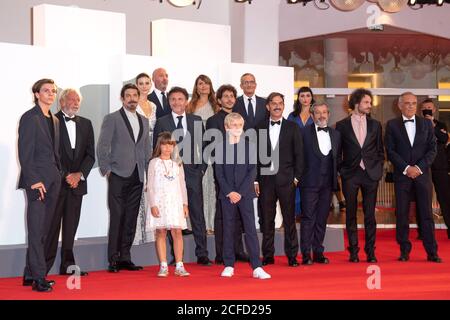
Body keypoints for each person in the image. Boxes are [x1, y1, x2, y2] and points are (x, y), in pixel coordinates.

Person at [153, 86, 212, 265]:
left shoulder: (196, 120)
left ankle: (202, 253)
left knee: (197, 213)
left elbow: (204, 146)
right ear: (169, 102)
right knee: (172, 214)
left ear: (186, 101)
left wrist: (201, 169)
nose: (177, 102)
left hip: (193, 173)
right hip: (169, 175)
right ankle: (175, 256)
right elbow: (156, 149)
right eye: (173, 99)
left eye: (180, 99)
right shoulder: (162, 122)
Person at [97, 83, 151, 272]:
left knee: (131, 218)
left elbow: (146, 150)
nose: (132, 99)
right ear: (122, 98)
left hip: (138, 176)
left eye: (135, 95)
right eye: (128, 95)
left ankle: (125, 257)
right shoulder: (112, 118)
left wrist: (147, 175)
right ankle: (113, 259)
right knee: (118, 216)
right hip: (118, 175)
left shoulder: (144, 121)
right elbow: (103, 145)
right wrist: (107, 170)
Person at [384, 92, 441, 263]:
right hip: (402, 176)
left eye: (414, 103)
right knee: (402, 214)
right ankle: (404, 251)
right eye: (407, 103)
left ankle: (432, 252)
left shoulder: (426, 124)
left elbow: (432, 150)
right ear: (399, 105)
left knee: (426, 214)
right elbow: (391, 151)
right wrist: (406, 168)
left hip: (422, 176)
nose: (410, 106)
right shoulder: (392, 125)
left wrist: (418, 168)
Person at [45, 89, 95, 277]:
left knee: (71, 228)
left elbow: (91, 155)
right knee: (51, 228)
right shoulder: (51, 120)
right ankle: (42, 268)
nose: (75, 103)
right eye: (71, 99)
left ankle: (68, 265)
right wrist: (66, 175)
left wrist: (79, 175)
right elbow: (50, 154)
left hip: (77, 185)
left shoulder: (86, 124)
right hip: (57, 183)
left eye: (78, 100)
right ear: (62, 101)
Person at [215, 112, 271, 279]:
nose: (237, 128)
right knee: (228, 229)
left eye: (240, 125)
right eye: (234, 125)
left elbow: (252, 171)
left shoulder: (250, 147)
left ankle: (257, 266)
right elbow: (219, 173)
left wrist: (239, 192)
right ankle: (229, 265)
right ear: (226, 128)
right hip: (227, 195)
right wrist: (229, 192)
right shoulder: (219, 147)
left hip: (245, 194)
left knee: (250, 229)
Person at [19, 78, 61, 292]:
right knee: (37, 230)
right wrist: (33, 180)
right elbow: (25, 153)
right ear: (36, 94)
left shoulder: (53, 119)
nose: (51, 94)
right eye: (46, 91)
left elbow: (54, 153)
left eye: (53, 91)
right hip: (37, 182)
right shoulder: (29, 118)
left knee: (44, 229)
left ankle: (30, 273)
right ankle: (39, 278)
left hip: (53, 181)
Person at [336, 88, 384, 263]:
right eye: (366, 102)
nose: (369, 105)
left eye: (370, 103)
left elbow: (380, 150)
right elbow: (338, 152)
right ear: (356, 103)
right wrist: (342, 170)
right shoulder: (341, 125)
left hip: (371, 174)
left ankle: (371, 252)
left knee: (370, 215)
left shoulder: (376, 125)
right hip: (351, 174)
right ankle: (354, 252)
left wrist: (377, 168)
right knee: (350, 215)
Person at [255, 92, 303, 267]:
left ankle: (292, 256)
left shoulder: (293, 127)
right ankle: (268, 256)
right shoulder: (258, 127)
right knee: (267, 220)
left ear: (284, 106)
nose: (277, 106)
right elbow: (254, 157)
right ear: (267, 106)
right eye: (273, 103)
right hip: (265, 182)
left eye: (280, 103)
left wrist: (296, 178)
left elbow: (300, 155)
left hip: (287, 181)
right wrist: (255, 180)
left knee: (290, 220)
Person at [206, 84, 249, 264]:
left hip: (240, 173)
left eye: (232, 96)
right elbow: (211, 149)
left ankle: (238, 250)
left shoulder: (240, 119)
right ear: (219, 99)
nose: (229, 99)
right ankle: (222, 253)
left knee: (238, 213)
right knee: (223, 214)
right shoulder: (213, 121)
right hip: (223, 173)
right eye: (226, 96)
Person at [299, 102, 341, 265]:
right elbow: (299, 157)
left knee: (322, 218)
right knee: (308, 218)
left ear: (328, 114)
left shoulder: (336, 134)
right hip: (309, 182)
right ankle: (306, 254)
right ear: (312, 115)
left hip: (327, 184)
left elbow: (338, 158)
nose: (321, 115)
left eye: (324, 112)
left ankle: (318, 252)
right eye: (318, 113)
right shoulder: (303, 133)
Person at [148, 132, 190, 277]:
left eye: (170, 145)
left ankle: (179, 265)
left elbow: (182, 185)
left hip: (175, 202)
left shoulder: (177, 163)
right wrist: (153, 204)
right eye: (164, 144)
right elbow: (150, 185)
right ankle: (164, 265)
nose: (167, 148)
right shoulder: (154, 163)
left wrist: (185, 204)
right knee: (161, 232)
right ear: (159, 145)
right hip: (159, 202)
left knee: (177, 232)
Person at [188, 75, 219, 235]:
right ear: (196, 87)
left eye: (206, 83)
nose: (204, 86)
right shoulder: (190, 106)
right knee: (198, 186)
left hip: (214, 149)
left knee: (211, 186)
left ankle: (211, 224)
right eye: (200, 83)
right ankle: (197, 224)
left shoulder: (216, 105)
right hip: (196, 149)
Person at [417, 99, 450, 240]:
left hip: (440, 167)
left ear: (434, 110)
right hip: (423, 166)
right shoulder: (417, 125)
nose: (427, 111)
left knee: (446, 198)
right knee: (422, 199)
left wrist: (431, 125)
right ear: (420, 111)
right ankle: (423, 232)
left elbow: (443, 139)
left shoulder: (441, 125)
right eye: (424, 109)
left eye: (429, 108)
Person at [134, 72, 157, 245]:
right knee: (140, 187)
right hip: (138, 148)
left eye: (146, 83)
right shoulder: (134, 105)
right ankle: (137, 233)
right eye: (140, 83)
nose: (144, 86)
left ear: (150, 85)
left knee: (152, 187)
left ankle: (150, 232)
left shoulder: (154, 106)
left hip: (153, 150)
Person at [287, 86, 315, 221]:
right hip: (294, 157)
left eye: (308, 95)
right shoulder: (292, 116)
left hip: (312, 157)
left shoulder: (316, 115)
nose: (305, 98)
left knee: (310, 187)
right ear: (298, 98)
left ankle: (308, 215)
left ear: (312, 98)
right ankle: (294, 214)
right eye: (302, 96)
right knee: (295, 187)